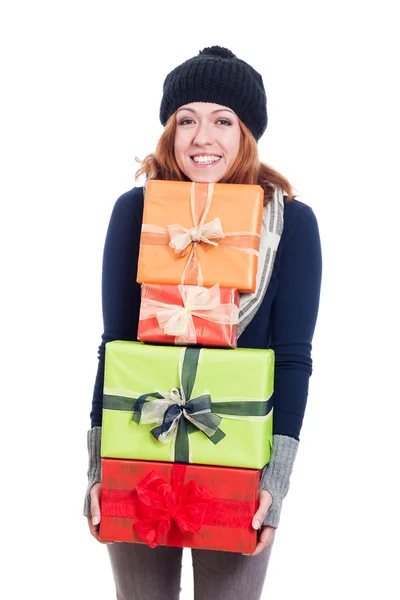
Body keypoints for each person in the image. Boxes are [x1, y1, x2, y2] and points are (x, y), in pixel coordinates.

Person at [84, 46, 322, 600]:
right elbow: (114, 348)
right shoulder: (136, 212)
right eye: (186, 119)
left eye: (222, 120)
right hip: (139, 448)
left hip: (236, 460)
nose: (202, 137)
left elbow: (293, 359)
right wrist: (99, 467)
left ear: (247, 133)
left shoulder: (291, 224)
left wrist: (276, 481)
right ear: (169, 130)